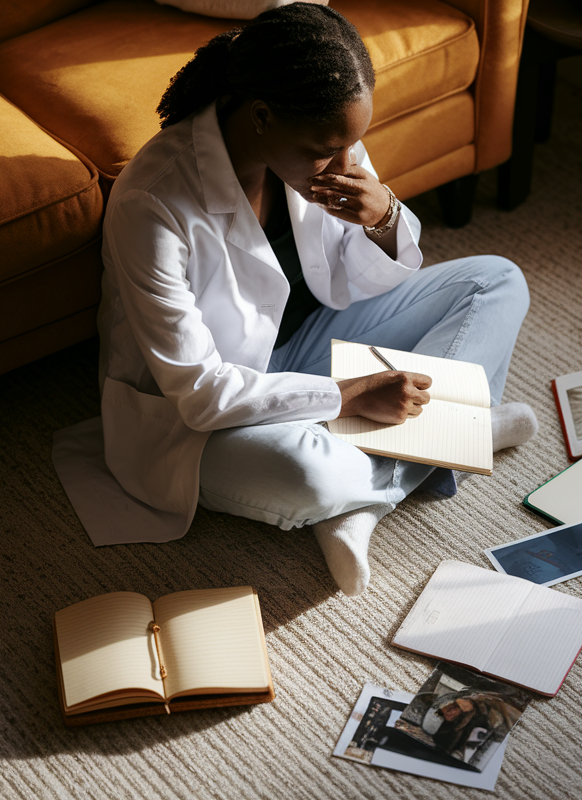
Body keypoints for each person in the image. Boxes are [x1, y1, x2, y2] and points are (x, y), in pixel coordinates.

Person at [90, 4, 536, 596]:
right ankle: (451, 437)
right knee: (309, 473)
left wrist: (383, 217)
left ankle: (370, 500)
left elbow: (362, 278)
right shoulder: (153, 204)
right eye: (329, 149)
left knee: (497, 281)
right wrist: (349, 395)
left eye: (355, 143)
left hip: (311, 336)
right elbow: (201, 395)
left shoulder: (323, 140)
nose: (348, 164)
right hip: (202, 412)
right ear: (262, 116)